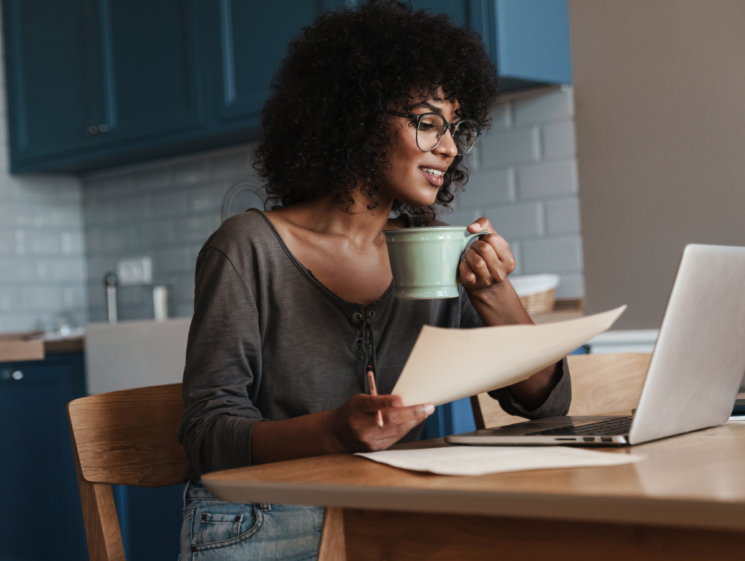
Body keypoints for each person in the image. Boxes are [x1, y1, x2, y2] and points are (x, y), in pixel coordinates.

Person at [176, 1, 571, 558]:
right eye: (428, 122)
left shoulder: (431, 250)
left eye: (457, 128)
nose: (451, 147)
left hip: (398, 518)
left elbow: (542, 403)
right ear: (356, 117)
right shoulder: (247, 248)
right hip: (267, 522)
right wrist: (334, 433)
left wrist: (492, 292)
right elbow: (207, 436)